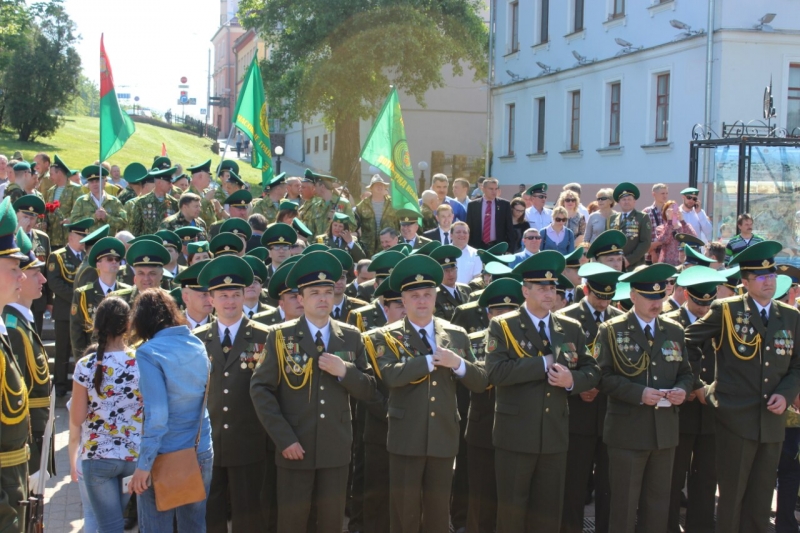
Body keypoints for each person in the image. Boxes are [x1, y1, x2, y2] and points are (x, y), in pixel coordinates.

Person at [250, 251, 376, 532]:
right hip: (296, 446)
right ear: (300, 299)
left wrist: (345, 372)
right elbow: (261, 389)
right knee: (293, 522)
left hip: (335, 446)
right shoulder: (280, 336)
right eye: (314, 292)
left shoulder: (351, 336)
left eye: (327, 292)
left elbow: (369, 390)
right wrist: (284, 439)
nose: (322, 298)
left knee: (331, 522)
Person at [686, 241, 800, 533]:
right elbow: (686, 342)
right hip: (734, 417)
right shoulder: (726, 310)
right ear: (746, 281)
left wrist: (786, 394)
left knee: (762, 497)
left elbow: (797, 365)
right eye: (761, 277)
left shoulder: (789, 316)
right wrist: (699, 385)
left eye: (772, 276)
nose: (768, 282)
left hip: (772, 421)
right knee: (732, 497)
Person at [484, 251, 600, 533]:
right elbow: (495, 372)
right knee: (512, 514)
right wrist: (543, 363)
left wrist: (571, 380)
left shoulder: (569, 327)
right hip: (516, 435)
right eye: (541, 288)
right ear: (525, 290)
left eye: (553, 288)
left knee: (547, 514)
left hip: (554, 436)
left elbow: (593, 370)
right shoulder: (503, 325)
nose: (549, 293)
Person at [373, 254, 487, 533]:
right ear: (403, 300)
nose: (422, 301)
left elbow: (481, 381)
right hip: (406, 435)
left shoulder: (455, 334)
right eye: (415, 296)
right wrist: (427, 361)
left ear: (435, 297)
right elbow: (389, 376)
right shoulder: (385, 336)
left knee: (438, 515)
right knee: (405, 513)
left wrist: (458, 363)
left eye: (427, 294)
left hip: (443, 435)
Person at [597, 263, 693, 533]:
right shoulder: (612, 330)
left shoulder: (673, 330)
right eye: (650, 297)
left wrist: (682, 391)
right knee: (624, 507)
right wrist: (639, 393)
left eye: (660, 296)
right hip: (627, 432)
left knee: (659, 506)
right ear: (633, 296)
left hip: (664, 432)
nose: (656, 302)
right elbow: (601, 376)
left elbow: (686, 372)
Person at [190, 256, 272, 533]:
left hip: (249, 439)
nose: (229, 301)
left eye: (235, 294)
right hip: (208, 443)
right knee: (210, 510)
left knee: (249, 511)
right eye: (222, 295)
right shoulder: (197, 339)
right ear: (210, 299)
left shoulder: (265, 336)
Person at [126, 288, 213, 531]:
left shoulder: (148, 352)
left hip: (164, 456)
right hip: (200, 450)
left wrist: (143, 465)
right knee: (194, 525)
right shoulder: (197, 343)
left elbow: (157, 416)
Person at [556, 262, 624, 533]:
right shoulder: (565, 318)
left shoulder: (620, 319)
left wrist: (599, 387)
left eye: (608, 297)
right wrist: (580, 385)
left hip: (610, 413)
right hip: (577, 413)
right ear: (585, 290)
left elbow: (624, 366)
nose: (603, 302)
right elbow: (562, 362)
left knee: (609, 486)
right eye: (598, 296)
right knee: (574, 484)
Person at [69, 297, 140, 533]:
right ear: (128, 325)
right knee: (117, 520)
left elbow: (77, 418)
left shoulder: (85, 365)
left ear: (96, 325)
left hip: (97, 458)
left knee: (108, 527)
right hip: (133, 457)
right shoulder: (141, 361)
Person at [662, 266, 726, 533]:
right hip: (681, 410)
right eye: (699, 301)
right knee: (672, 478)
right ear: (687, 294)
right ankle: (667, 526)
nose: (703, 307)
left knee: (706, 480)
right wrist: (689, 385)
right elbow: (665, 362)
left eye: (709, 301)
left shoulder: (722, 320)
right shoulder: (670, 321)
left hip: (710, 411)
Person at [459, 279, 522, 533]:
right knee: (481, 499)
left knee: (514, 500)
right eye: (498, 312)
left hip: (518, 430)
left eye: (511, 311)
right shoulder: (472, 341)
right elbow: (472, 382)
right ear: (488, 314)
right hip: (483, 428)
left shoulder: (529, 345)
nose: (505, 317)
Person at [3, 231, 51, 475]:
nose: (42, 280)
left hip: (32, 436)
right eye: (35, 274)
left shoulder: (21, 323)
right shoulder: (12, 328)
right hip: (19, 449)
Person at [47, 217, 93, 396]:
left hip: (84, 311)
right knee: (62, 350)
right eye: (80, 235)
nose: (83, 239)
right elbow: (54, 283)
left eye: (85, 236)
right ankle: (59, 385)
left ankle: (80, 384)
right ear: (71, 236)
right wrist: (76, 296)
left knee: (83, 347)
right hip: (65, 310)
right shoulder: (58, 256)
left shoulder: (88, 258)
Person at [70, 237, 130, 365]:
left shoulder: (129, 292)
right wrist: (81, 362)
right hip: (94, 356)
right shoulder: (83, 294)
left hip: (122, 356)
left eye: (117, 259)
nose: (114, 262)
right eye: (109, 259)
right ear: (98, 264)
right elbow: (77, 332)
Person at [606, 183, 652, 270]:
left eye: (629, 199)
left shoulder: (642, 217)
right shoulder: (611, 219)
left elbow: (645, 243)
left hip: (634, 265)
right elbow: (607, 242)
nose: (626, 202)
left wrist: (629, 260)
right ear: (619, 202)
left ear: (634, 201)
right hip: (614, 265)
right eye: (623, 199)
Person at [467, 177, 514, 250]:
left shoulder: (504, 205)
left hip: (497, 246)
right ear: (483, 189)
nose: (494, 191)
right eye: (491, 189)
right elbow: (469, 227)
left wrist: (510, 249)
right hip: (477, 246)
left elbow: (509, 228)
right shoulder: (473, 205)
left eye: (496, 189)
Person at [130, 167, 179, 236]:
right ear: (159, 183)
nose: (171, 185)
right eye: (168, 182)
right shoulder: (142, 202)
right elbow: (134, 230)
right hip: (148, 244)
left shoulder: (174, 203)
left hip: (168, 244)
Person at [654, 200, 698, 266]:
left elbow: (693, 238)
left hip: (683, 263)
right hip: (666, 263)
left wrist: (682, 221)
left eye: (675, 209)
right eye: (670, 210)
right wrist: (669, 222)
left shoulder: (685, 226)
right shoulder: (661, 228)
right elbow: (664, 240)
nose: (674, 212)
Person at [642, 184, 669, 263]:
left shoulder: (671, 211)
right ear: (654, 194)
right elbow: (643, 235)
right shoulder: (646, 212)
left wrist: (658, 243)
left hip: (667, 254)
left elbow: (674, 232)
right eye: (662, 193)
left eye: (666, 193)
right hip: (650, 255)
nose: (665, 196)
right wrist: (652, 252)